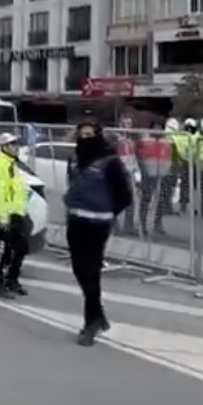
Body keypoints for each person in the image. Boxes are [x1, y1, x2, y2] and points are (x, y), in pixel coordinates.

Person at [64, 120, 135, 346]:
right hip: (76, 219)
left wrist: (107, 211)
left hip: (98, 223)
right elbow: (72, 184)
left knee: (91, 271)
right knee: (78, 269)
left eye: (89, 134)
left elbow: (124, 196)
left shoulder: (110, 162)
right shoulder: (74, 159)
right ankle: (99, 314)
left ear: (98, 135)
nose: (85, 138)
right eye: (81, 134)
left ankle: (90, 324)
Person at [0, 132, 31, 299]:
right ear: (4, 147)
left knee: (21, 248)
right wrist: (2, 217)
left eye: (16, 144)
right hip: (6, 215)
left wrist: (21, 211)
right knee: (2, 250)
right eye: (12, 145)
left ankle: (12, 279)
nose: (16, 148)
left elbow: (16, 191)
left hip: (16, 213)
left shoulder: (12, 164)